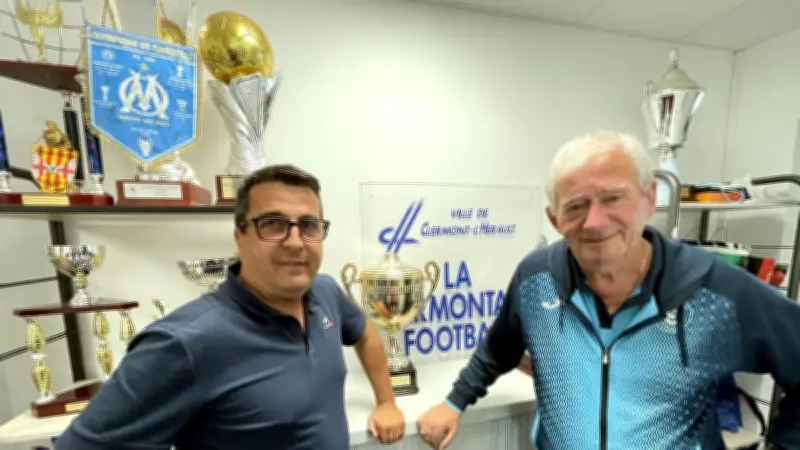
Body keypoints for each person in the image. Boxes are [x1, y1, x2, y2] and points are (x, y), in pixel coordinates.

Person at [416, 131, 800, 450]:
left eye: (613, 198)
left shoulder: (714, 291)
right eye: (575, 206)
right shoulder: (535, 278)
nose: (595, 222)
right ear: (555, 219)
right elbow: (500, 346)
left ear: (648, 199)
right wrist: (455, 401)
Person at [56, 164, 405, 449]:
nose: (295, 242)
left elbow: (365, 334)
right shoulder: (183, 344)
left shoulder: (326, 292)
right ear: (239, 237)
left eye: (308, 226)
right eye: (273, 225)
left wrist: (387, 402)